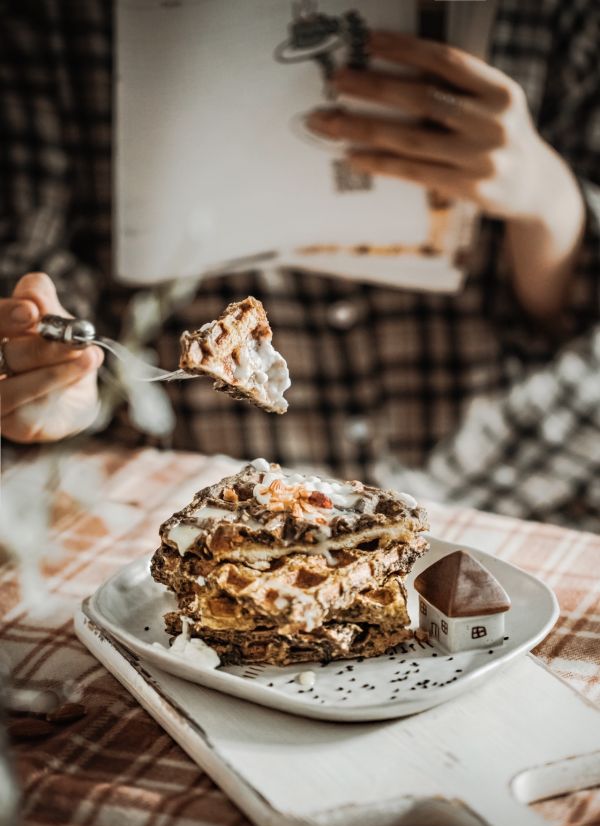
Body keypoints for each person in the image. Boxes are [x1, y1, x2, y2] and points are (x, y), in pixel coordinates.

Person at [0, 1, 598, 530]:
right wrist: (50, 378)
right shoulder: (55, 21)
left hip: (508, 487)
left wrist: (550, 198)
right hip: (192, 503)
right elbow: (36, 273)